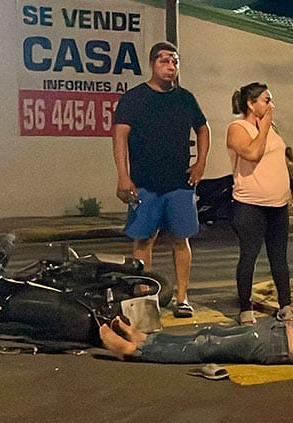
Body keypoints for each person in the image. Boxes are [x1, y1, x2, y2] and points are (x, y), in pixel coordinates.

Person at [98, 276, 293, 372]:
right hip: (279, 331)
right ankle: (143, 339)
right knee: (208, 333)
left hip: (278, 345)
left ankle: (133, 351)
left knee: (206, 347)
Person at [112, 41, 211, 318]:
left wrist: (200, 163)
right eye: (164, 61)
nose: (171, 67)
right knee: (143, 241)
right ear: (153, 64)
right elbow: (119, 136)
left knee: (181, 240)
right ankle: (144, 300)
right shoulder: (134, 99)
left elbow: (203, 129)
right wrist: (123, 176)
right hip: (144, 183)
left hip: (179, 183)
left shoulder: (185, 98)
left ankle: (182, 297)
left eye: (175, 62)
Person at [226, 82, 293, 325]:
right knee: (249, 255)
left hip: (277, 204)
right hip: (250, 204)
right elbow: (253, 153)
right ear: (251, 103)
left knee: (279, 256)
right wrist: (264, 127)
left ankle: (285, 304)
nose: (271, 106)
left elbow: (283, 157)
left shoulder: (272, 128)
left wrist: (292, 185)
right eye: (266, 101)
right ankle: (245, 307)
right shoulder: (238, 128)